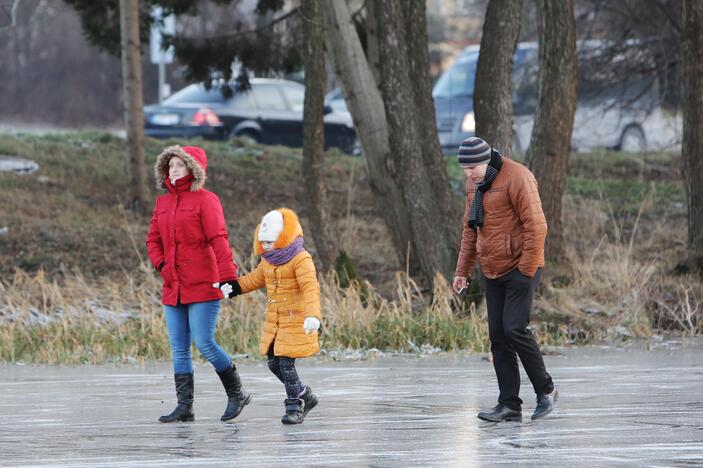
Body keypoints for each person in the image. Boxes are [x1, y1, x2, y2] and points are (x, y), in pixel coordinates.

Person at [452, 137, 557, 422]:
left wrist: (526, 270)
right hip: (492, 268)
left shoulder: (518, 176)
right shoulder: (475, 183)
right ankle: (509, 405)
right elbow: (470, 230)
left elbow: (537, 226)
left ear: (487, 160)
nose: (468, 174)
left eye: (472, 167)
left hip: (521, 266)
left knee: (515, 329)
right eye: (464, 168)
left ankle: (546, 391)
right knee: (498, 337)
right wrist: (462, 271)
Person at [146, 145, 250, 423]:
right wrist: (162, 265)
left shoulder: (206, 200)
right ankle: (185, 406)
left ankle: (237, 393)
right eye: (170, 165)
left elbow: (218, 238)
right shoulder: (163, 203)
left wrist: (229, 277)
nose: (174, 169)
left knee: (204, 342)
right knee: (178, 347)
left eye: (180, 164)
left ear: (193, 168)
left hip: (204, 283)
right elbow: (153, 241)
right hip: (173, 285)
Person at [218, 208, 321, 425]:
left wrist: (313, 316)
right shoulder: (268, 261)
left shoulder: (301, 259)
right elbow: (255, 279)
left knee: (285, 364)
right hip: (276, 322)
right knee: (273, 364)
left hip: (296, 321)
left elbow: (311, 287)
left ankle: (295, 405)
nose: (265, 246)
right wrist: (234, 287)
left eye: (270, 242)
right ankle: (305, 394)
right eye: (262, 242)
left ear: (283, 238)